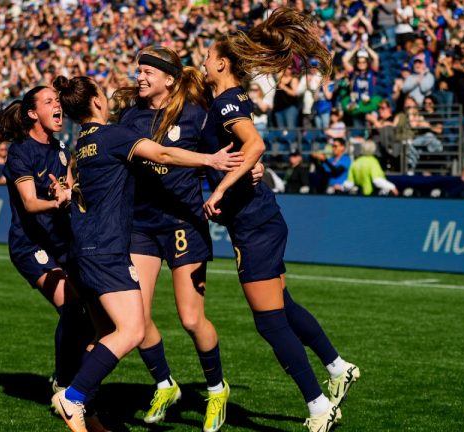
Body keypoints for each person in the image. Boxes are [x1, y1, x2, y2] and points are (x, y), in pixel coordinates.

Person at [50, 74, 244, 432]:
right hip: (108, 247)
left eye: (146, 71)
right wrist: (211, 161)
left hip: (85, 247)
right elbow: (164, 152)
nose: (137, 78)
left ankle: (87, 413)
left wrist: (67, 188)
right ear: (96, 102)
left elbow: (78, 176)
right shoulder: (115, 134)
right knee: (132, 329)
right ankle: (73, 395)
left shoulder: (84, 142)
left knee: (108, 330)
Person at [199, 8, 360, 432]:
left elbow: (254, 144)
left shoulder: (228, 99)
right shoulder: (219, 100)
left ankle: (318, 406)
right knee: (282, 308)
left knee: (269, 322)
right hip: (257, 218)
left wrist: (220, 187)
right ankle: (338, 366)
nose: (201, 58)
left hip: (254, 222)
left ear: (221, 63)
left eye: (207, 54)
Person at [113, 46, 263, 431]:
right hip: (141, 226)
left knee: (191, 318)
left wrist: (254, 167)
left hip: (183, 223)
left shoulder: (196, 115)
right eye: (139, 70)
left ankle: (216, 389)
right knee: (137, 320)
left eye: (148, 71)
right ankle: (165, 384)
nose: (140, 76)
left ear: (169, 78)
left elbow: (234, 150)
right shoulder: (130, 117)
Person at [0, 86, 94, 422]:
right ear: (32, 113)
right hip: (30, 245)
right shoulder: (20, 152)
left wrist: (66, 189)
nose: (58, 107)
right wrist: (57, 200)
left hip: (61, 242)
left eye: (58, 102)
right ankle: (65, 385)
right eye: (49, 102)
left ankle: (67, 379)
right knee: (70, 304)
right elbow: (29, 203)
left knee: (84, 311)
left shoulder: (61, 148)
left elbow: (67, 186)